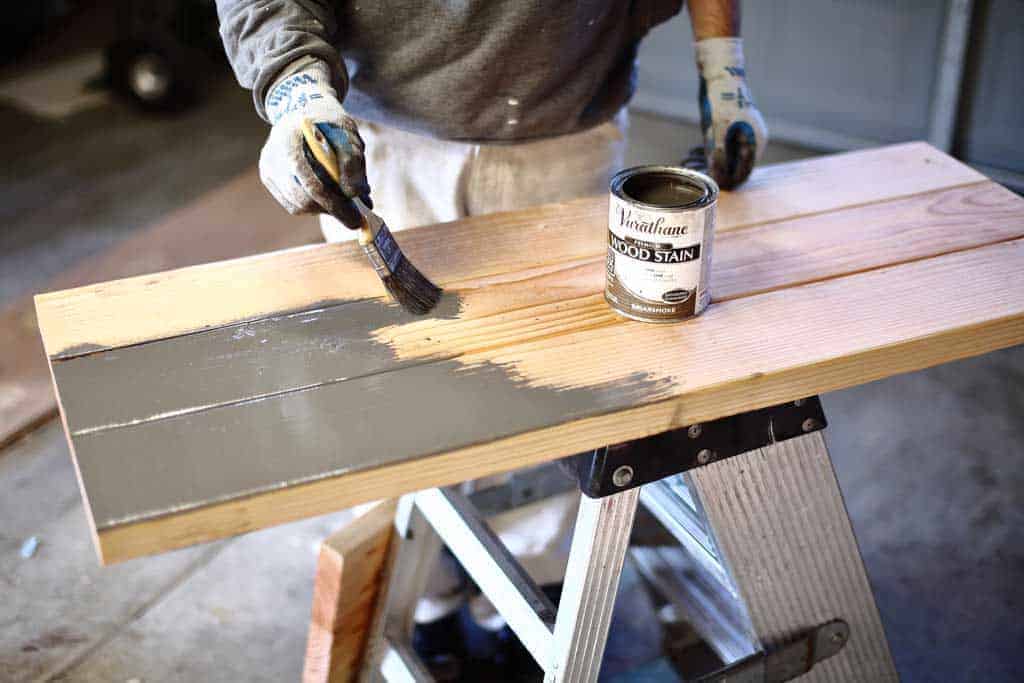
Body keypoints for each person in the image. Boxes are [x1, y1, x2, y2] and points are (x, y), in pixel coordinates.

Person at [216, 0, 767, 676]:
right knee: (392, 397)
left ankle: (530, 599)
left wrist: (724, 70)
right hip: (387, 142)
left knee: (558, 393)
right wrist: (293, 84)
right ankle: (425, 609)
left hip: (567, 129)